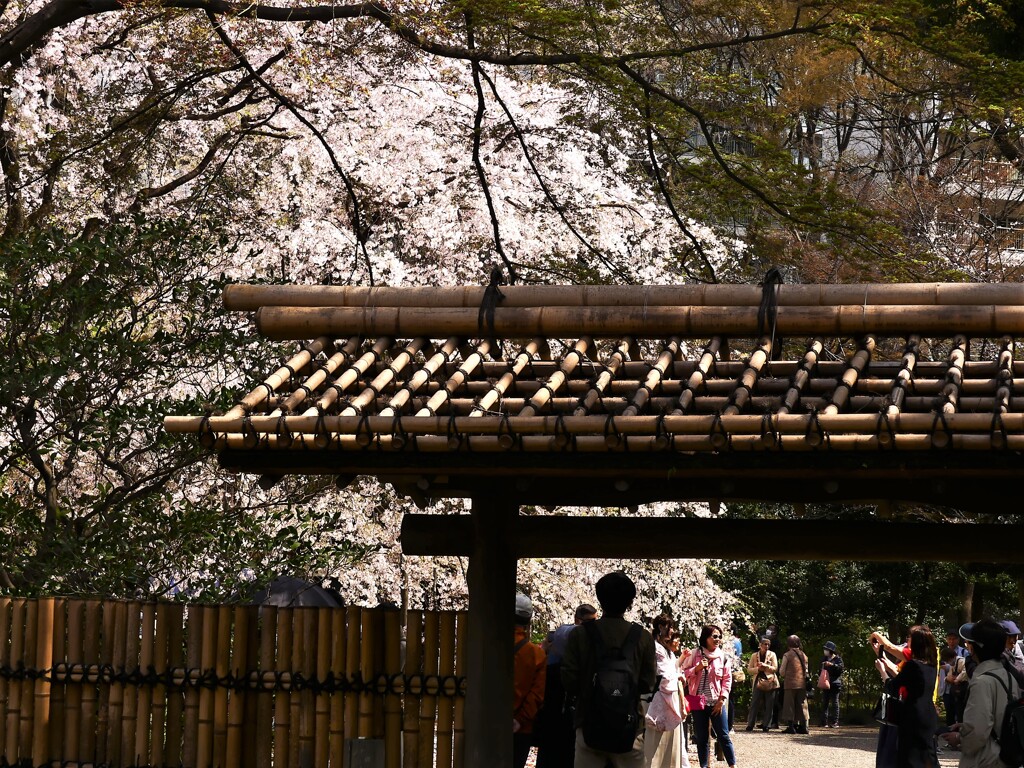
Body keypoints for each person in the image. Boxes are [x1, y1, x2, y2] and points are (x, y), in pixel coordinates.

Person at [562, 571, 657, 768]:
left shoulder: (580, 635)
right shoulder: (643, 637)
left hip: (588, 722)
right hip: (629, 726)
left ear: (599, 598)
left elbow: (569, 681)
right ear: (630, 602)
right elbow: (648, 683)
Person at [941, 618, 1022, 767]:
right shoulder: (1009, 676)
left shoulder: (981, 682)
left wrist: (959, 738)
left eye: (971, 643)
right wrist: (966, 724)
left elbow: (977, 733)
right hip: (1005, 758)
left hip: (986, 760)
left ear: (977, 648)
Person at [536, 604, 597, 768]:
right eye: (589, 623)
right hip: (561, 715)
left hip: (557, 717)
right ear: (578, 620)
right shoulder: (571, 637)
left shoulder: (557, 648)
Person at [874, 625, 939, 768]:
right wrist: (885, 660)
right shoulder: (932, 664)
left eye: (910, 639)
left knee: (909, 757)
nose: (907, 641)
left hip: (912, 716)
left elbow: (893, 685)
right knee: (928, 756)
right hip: (928, 715)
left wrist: (882, 671)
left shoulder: (913, 665)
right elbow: (906, 679)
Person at [681, 624, 738, 768]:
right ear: (706, 638)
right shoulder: (695, 654)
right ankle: (704, 766)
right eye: (714, 636)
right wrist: (697, 668)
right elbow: (683, 673)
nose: (717, 639)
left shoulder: (723, 657)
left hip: (716, 702)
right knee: (702, 738)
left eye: (719, 636)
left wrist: (722, 699)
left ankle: (732, 765)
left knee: (723, 735)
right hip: (698, 702)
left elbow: (727, 680)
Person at [644, 614, 690, 768]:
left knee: (672, 746)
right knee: (656, 747)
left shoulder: (666, 650)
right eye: (670, 627)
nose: (672, 631)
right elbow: (663, 675)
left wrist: (678, 673)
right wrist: (677, 676)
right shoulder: (655, 648)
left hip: (671, 697)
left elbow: (672, 670)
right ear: (661, 628)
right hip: (661, 698)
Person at [513, 593, 547, 768]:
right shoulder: (536, 653)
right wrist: (519, 720)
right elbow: (537, 694)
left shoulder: (489, 646)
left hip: (488, 723)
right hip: (521, 728)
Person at [777, 635, 809, 735]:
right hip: (802, 683)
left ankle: (791, 727)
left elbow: (782, 671)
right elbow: (807, 670)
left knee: (789, 705)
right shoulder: (804, 655)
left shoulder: (787, 655)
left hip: (790, 683)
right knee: (802, 704)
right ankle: (804, 726)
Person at [744, 636, 778, 732]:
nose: (766, 646)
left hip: (770, 681)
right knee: (754, 703)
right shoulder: (754, 656)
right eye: (765, 644)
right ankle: (750, 724)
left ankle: (766, 724)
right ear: (760, 645)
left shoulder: (772, 655)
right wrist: (757, 669)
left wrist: (766, 666)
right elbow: (749, 670)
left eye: (768, 644)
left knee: (769, 704)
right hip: (758, 680)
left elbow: (775, 668)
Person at [819, 640, 844, 728]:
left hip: (835, 684)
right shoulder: (824, 659)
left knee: (835, 703)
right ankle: (824, 721)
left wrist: (832, 665)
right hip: (826, 682)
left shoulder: (838, 659)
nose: (825, 651)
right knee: (825, 702)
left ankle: (835, 722)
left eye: (827, 649)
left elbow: (841, 669)